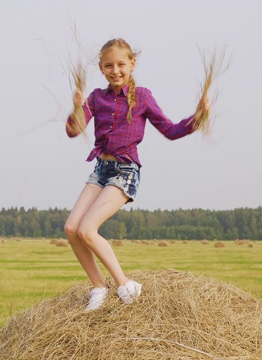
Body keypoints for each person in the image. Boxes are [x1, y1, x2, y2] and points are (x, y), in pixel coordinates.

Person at [64, 38, 211, 311]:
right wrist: (75, 108)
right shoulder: (96, 97)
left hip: (125, 171)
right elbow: (73, 131)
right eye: (109, 65)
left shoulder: (142, 96)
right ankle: (99, 287)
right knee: (72, 229)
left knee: (87, 229)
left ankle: (125, 285)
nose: (115, 70)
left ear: (133, 64)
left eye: (121, 64)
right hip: (100, 169)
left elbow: (170, 130)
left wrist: (197, 118)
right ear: (101, 68)